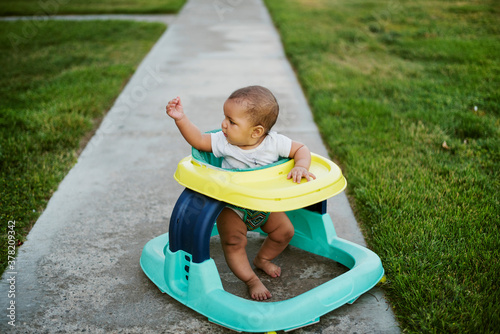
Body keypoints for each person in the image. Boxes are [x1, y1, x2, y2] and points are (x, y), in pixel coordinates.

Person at [166, 85, 316, 300]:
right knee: (234, 242)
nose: (223, 124)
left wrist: (301, 165)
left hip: (263, 204)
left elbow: (301, 149)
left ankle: (262, 259)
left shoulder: (274, 143)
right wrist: (180, 118)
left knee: (285, 232)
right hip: (232, 207)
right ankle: (251, 279)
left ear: (256, 132)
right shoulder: (223, 142)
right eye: (225, 117)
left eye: (231, 121)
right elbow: (198, 139)